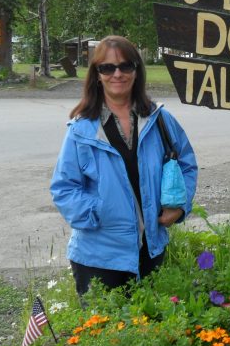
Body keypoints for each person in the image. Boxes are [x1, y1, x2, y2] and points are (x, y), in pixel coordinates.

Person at [50, 35, 197, 296]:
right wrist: (98, 212)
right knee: (104, 323)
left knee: (152, 321)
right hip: (99, 257)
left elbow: (187, 165)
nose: (117, 74)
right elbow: (64, 188)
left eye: (125, 66)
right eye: (107, 67)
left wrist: (179, 206)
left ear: (136, 71)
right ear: (97, 75)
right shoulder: (81, 130)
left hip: (150, 250)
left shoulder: (159, 119)